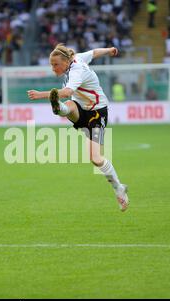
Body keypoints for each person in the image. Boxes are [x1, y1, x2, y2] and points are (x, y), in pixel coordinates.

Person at [27, 44, 129, 212]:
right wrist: (109, 50)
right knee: (70, 105)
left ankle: (119, 187)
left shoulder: (77, 70)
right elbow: (94, 53)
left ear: (66, 62)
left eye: (56, 65)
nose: (53, 68)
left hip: (97, 113)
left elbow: (67, 91)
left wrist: (40, 95)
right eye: (51, 65)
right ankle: (58, 107)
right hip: (80, 108)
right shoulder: (78, 57)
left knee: (95, 158)